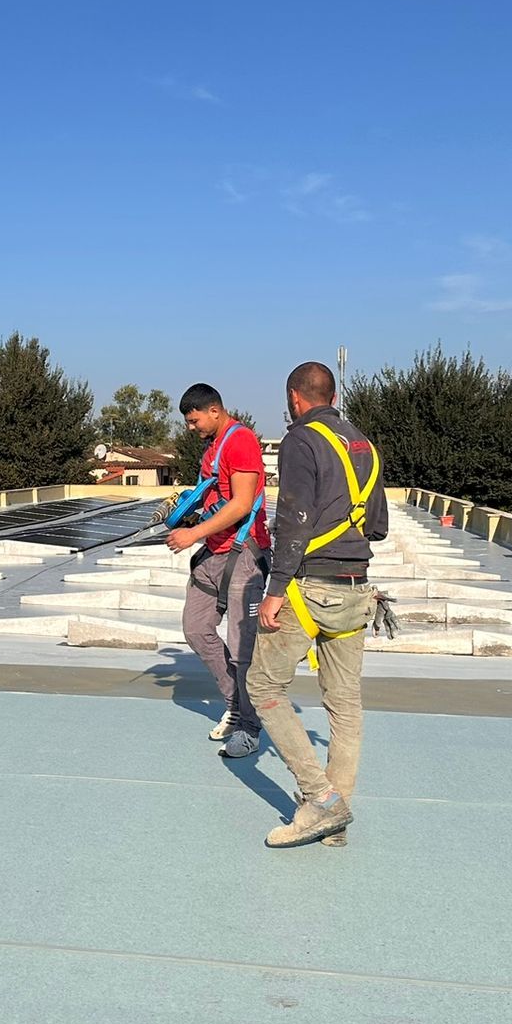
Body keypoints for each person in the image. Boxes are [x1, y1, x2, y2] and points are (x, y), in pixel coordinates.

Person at [245, 361, 389, 848]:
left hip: (311, 587)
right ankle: (337, 816)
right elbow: (378, 525)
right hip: (357, 587)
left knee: (263, 685)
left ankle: (321, 799)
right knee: (344, 705)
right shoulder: (363, 444)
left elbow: (294, 518)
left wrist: (275, 588)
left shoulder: (300, 441)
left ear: (294, 398)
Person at [167, 383, 272, 757]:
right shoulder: (213, 447)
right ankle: (236, 704)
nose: (191, 428)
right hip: (214, 553)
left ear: (214, 410)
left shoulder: (240, 441)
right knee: (196, 629)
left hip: (243, 554)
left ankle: (250, 726)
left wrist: (192, 533)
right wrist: (185, 515)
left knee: (244, 650)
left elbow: (243, 503)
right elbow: (216, 497)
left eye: (194, 420)